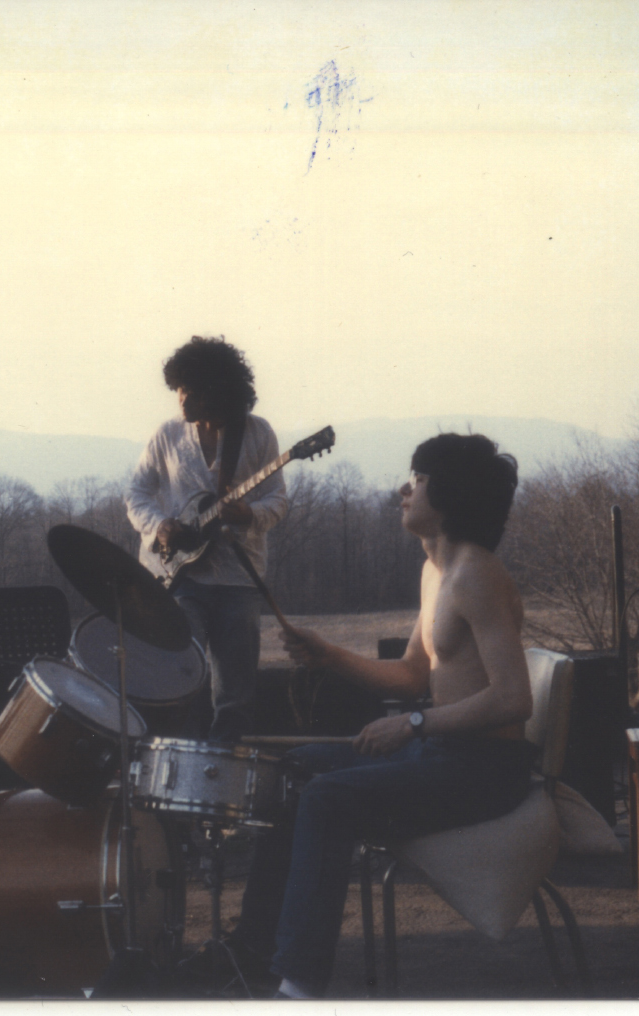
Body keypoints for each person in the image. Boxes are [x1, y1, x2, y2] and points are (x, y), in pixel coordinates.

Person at [224, 433, 535, 999]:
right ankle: (251, 951)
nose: (404, 489)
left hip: (486, 770)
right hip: (444, 755)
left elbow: (514, 700)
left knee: (327, 798)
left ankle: (298, 986)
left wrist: (412, 725)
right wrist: (329, 654)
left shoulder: (477, 575)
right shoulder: (436, 571)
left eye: (417, 478)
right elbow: (414, 675)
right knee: (295, 770)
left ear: (451, 494)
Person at [125, 335, 289, 742]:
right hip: (182, 580)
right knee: (182, 679)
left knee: (235, 696)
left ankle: (226, 784)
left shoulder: (257, 433)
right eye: (179, 390)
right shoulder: (167, 435)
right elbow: (136, 494)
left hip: (239, 581)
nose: (181, 400)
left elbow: (278, 500)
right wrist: (159, 525)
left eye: (192, 391)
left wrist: (249, 514)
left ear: (219, 391)